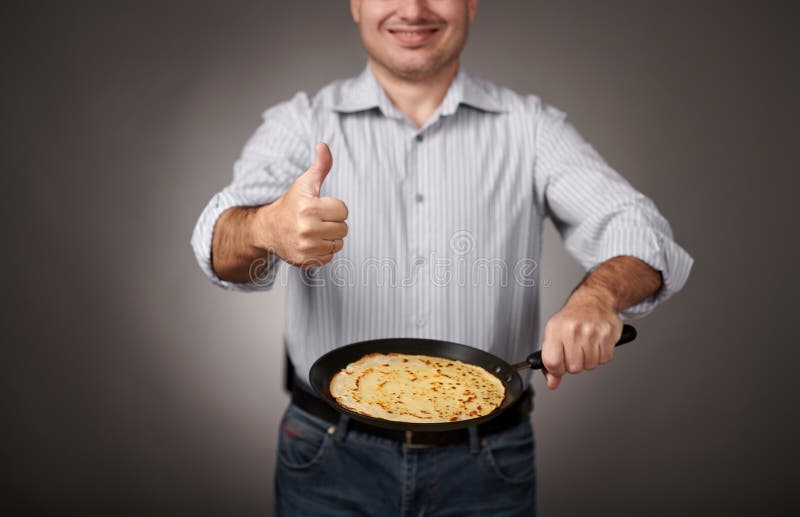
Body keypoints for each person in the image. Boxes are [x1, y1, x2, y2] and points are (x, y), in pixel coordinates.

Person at [191, 1, 693, 515]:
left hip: (489, 461)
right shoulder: (301, 122)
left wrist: (598, 297)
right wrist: (265, 226)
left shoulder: (531, 127)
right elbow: (217, 243)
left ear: (472, 4)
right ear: (357, 4)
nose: (413, 8)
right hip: (327, 454)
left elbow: (641, 234)